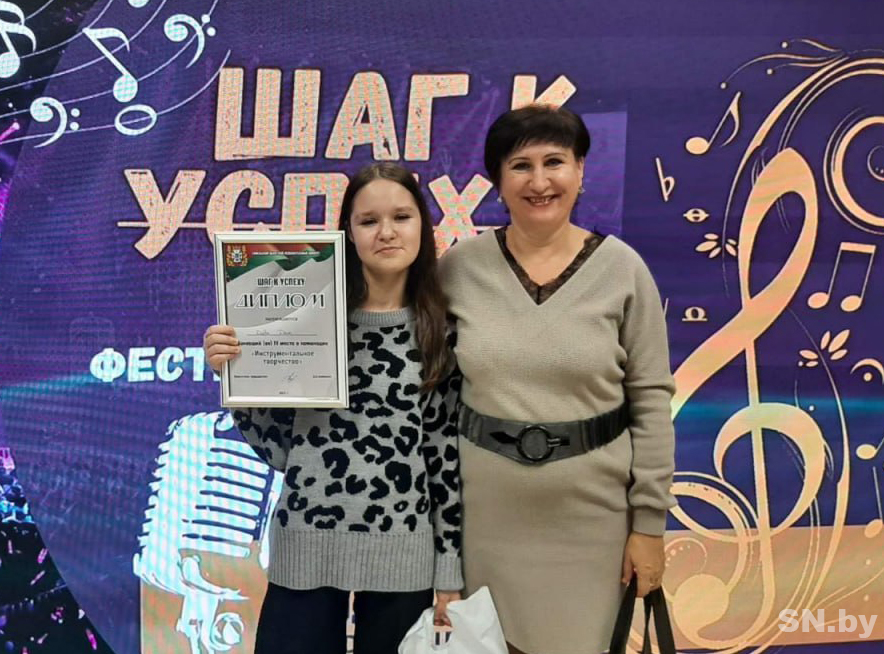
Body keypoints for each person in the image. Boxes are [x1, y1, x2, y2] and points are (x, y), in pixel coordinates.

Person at [438, 104, 676, 654]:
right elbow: (423, 388)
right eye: (520, 166)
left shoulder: (624, 270)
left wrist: (649, 525)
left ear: (580, 170)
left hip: (594, 526)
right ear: (498, 181)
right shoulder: (457, 268)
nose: (539, 181)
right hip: (484, 525)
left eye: (555, 162)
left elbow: (650, 402)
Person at [204, 162, 463, 654]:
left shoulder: (442, 331)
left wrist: (450, 569)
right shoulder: (309, 321)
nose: (386, 232)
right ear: (348, 231)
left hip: (403, 556)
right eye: (368, 221)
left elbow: (444, 459)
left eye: (401, 217)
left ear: (423, 227)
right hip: (306, 544)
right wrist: (235, 377)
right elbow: (281, 452)